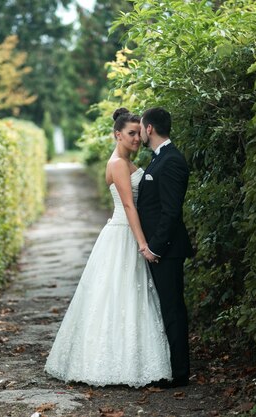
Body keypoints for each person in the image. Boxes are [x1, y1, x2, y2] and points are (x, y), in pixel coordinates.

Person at [44, 108, 172, 387]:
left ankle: (132, 360)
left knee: (130, 296)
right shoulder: (117, 163)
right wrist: (142, 243)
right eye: (131, 134)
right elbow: (127, 206)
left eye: (139, 133)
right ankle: (109, 362)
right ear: (117, 134)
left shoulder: (126, 162)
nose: (137, 138)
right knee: (116, 295)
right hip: (124, 234)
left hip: (126, 230)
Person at [137, 107, 194, 388]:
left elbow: (171, 212)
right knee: (166, 308)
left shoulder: (171, 161)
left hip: (167, 251)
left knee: (172, 309)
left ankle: (180, 373)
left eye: (141, 128)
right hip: (160, 249)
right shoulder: (159, 159)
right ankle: (171, 367)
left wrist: (155, 248)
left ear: (149, 129)